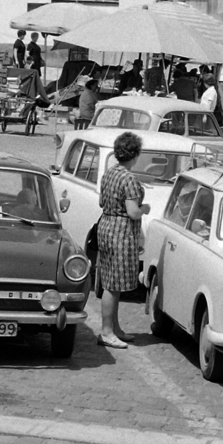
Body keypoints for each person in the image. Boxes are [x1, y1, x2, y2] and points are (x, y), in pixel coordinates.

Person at [94, 132, 147, 348]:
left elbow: (100, 202)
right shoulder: (129, 179)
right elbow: (133, 212)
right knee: (113, 285)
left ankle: (114, 328)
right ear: (135, 154)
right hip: (121, 231)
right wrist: (146, 208)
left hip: (105, 225)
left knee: (110, 280)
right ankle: (107, 331)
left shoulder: (109, 174)